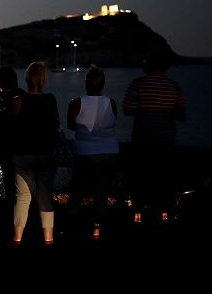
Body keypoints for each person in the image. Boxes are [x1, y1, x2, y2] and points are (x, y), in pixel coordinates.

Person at [123, 50, 186, 224]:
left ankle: (139, 215)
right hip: (165, 140)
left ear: (147, 66)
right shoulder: (174, 86)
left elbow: (127, 109)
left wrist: (144, 109)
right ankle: (164, 215)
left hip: (142, 140)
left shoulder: (137, 84)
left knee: (141, 179)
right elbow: (181, 114)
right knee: (163, 179)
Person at [3, 62, 60, 246]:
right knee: (45, 198)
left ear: (26, 79)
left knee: (22, 197)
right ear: (43, 80)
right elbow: (56, 125)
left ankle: (17, 239)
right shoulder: (50, 100)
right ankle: (48, 239)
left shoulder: (18, 100)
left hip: (23, 154)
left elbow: (6, 121)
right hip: (45, 153)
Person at [66, 66, 123, 240]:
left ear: (86, 83)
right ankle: (98, 227)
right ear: (103, 84)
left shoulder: (76, 102)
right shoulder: (111, 102)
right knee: (102, 190)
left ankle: (72, 227)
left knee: (77, 191)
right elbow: (112, 123)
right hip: (109, 151)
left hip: (84, 152)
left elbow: (70, 125)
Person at [0, 66, 21, 238]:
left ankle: (11, 213)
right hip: (24, 145)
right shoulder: (23, 95)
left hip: (5, 145)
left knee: (9, 180)